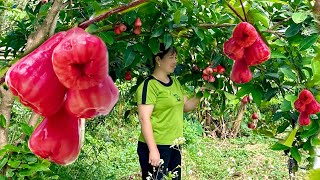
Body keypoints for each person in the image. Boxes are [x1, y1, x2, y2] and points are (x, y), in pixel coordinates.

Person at [135, 43, 201, 180]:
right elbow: (144, 118)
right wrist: (153, 150)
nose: (175, 61)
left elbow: (186, 106)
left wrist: (202, 92)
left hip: (174, 145)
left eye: (176, 57)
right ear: (158, 60)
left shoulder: (175, 83)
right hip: (156, 146)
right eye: (171, 57)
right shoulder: (149, 86)